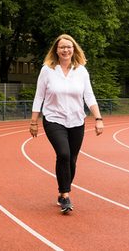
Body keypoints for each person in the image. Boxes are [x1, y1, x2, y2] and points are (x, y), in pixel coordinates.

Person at [29, 34, 104, 214]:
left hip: (76, 120)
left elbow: (89, 96)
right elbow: (39, 96)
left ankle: (64, 188)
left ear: (74, 49)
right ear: (56, 50)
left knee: (72, 159)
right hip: (54, 119)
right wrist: (33, 121)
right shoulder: (47, 70)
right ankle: (65, 194)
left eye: (69, 47)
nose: (66, 50)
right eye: (62, 47)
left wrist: (98, 118)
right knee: (63, 154)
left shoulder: (81, 71)